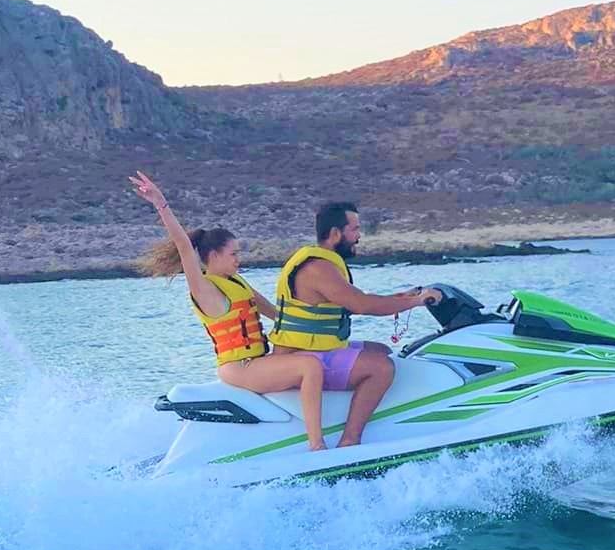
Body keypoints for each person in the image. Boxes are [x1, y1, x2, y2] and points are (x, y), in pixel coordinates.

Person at [131, 171, 329, 451]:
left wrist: (322, 321)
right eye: (234, 254)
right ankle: (317, 445)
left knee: (314, 354)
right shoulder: (206, 290)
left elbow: (278, 314)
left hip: (259, 361)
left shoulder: (236, 282)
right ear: (213, 257)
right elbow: (184, 247)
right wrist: (160, 204)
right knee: (310, 368)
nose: (240, 259)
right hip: (241, 368)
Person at [271, 200, 442, 448]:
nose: (359, 236)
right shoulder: (318, 268)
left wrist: (402, 297)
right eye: (355, 229)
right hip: (301, 356)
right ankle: (350, 440)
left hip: (316, 348)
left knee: (381, 350)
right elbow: (360, 305)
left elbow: (357, 299)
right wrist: (415, 302)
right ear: (335, 234)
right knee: (381, 368)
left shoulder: (324, 263)